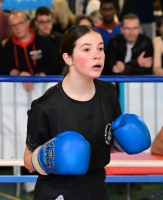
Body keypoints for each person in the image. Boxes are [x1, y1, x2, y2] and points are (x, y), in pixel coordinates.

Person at [23, 25, 151, 200]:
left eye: (100, 48)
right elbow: (27, 159)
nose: (97, 54)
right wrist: (50, 157)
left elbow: (107, 143)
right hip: (57, 192)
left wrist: (121, 143)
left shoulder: (109, 92)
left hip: (97, 187)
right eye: (86, 49)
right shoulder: (46, 106)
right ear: (68, 58)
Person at [0, 11, 57, 92]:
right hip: (19, 91)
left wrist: (43, 75)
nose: (17, 28)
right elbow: (6, 68)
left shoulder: (43, 42)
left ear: (27, 23)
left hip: (45, 89)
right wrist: (20, 74)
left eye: (20, 23)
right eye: (13, 25)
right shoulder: (8, 46)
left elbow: (54, 64)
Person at [34, 6, 63, 75]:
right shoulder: (31, 40)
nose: (45, 25)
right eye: (42, 22)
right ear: (36, 23)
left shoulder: (61, 39)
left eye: (48, 21)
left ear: (52, 20)